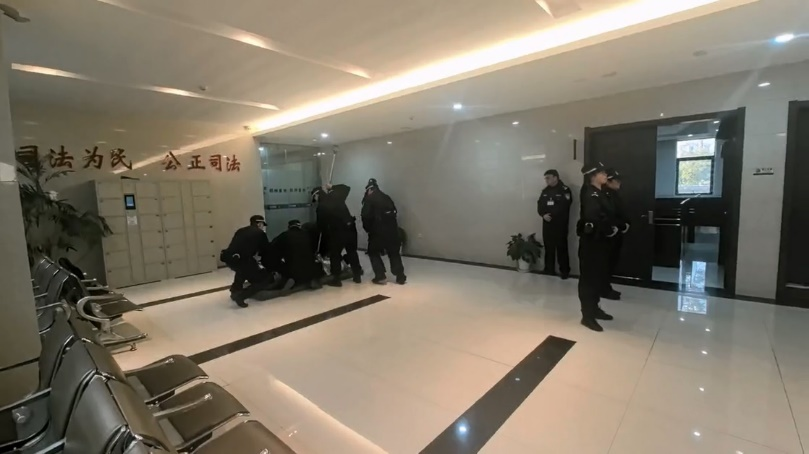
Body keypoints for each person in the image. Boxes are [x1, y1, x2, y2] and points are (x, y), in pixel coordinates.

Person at [577, 163, 621, 332]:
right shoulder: (590, 193)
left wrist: (613, 227)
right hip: (591, 242)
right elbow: (594, 217)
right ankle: (587, 315)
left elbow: (609, 214)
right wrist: (609, 229)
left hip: (601, 242)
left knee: (597, 277)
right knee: (588, 279)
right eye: (601, 173)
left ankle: (595, 308)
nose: (605, 175)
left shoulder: (601, 192)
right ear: (593, 176)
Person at [311, 184, 363, 286]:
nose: (315, 201)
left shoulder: (321, 206)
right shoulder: (337, 196)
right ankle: (357, 276)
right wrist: (332, 187)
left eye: (315, 198)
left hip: (338, 231)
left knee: (335, 254)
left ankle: (336, 279)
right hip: (351, 229)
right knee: (352, 252)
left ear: (317, 195)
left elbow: (321, 226)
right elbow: (346, 188)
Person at [220, 215, 274, 308]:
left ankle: (235, 290)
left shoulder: (241, 230)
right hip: (243, 260)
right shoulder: (260, 233)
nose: (263, 227)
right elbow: (266, 250)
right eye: (262, 224)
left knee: (242, 271)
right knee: (263, 280)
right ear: (259, 224)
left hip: (229, 258)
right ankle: (241, 296)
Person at [361, 178, 406, 285]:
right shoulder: (386, 197)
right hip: (392, 231)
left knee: (373, 252)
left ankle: (380, 275)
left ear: (369, 189)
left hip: (377, 232)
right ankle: (400, 276)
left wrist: (368, 229)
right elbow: (394, 212)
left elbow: (365, 217)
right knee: (394, 253)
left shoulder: (369, 200)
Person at [537, 169, 573, 279]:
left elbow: (565, 205)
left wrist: (551, 215)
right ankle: (549, 269)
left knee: (562, 248)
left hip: (560, 224)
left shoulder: (564, 190)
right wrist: (543, 214)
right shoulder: (545, 191)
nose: (546, 180)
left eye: (548, 178)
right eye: (545, 178)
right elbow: (540, 204)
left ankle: (564, 271)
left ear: (555, 177)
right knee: (549, 248)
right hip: (547, 224)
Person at [602, 168, 630, 300]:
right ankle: (603, 289)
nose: (619, 183)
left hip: (617, 233)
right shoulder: (604, 194)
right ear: (608, 181)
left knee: (612, 262)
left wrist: (625, 224)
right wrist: (620, 225)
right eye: (616, 180)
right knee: (606, 263)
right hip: (610, 234)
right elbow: (608, 215)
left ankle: (606, 286)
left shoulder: (614, 194)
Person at [270, 220, 322, 289]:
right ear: (299, 226)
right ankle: (311, 279)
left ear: (289, 227)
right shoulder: (307, 234)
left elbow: (273, 249)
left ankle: (289, 281)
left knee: (285, 267)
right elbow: (314, 250)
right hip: (310, 268)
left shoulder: (284, 235)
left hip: (293, 269)